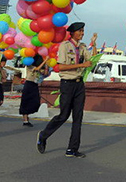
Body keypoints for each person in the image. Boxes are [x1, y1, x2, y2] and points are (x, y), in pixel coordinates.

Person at [36, 22, 97, 158]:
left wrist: (94, 44)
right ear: (73, 32)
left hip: (79, 84)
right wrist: (81, 64)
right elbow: (61, 67)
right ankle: (43, 135)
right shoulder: (65, 46)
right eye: (80, 31)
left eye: (83, 31)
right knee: (63, 115)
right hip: (67, 84)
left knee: (78, 117)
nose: (82, 33)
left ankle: (72, 149)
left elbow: (91, 61)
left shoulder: (82, 47)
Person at [20, 55, 50, 126]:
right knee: (25, 101)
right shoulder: (29, 65)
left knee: (36, 101)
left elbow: (45, 73)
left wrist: (46, 65)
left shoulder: (39, 67)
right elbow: (36, 69)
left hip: (35, 84)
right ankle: (25, 120)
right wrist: (45, 60)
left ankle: (28, 116)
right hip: (28, 84)